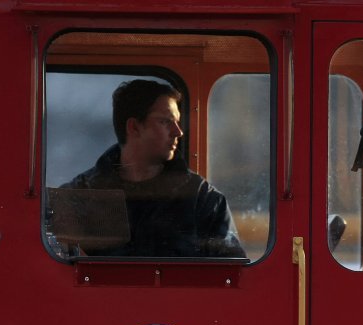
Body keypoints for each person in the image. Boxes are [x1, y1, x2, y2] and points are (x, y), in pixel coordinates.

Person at [62, 79, 246, 258]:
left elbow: (230, 274)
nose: (178, 132)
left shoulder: (204, 200)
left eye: (177, 122)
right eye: (166, 122)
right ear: (134, 127)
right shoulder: (79, 196)